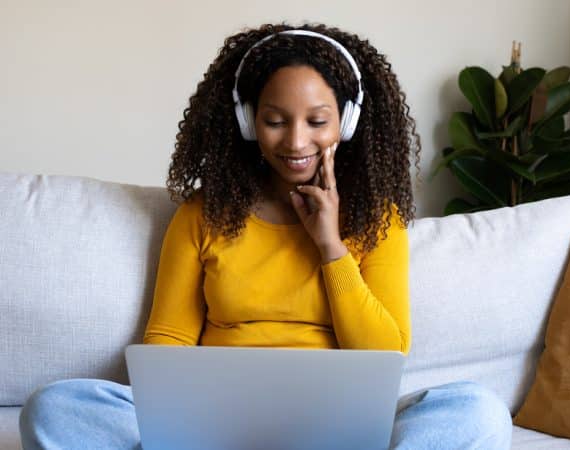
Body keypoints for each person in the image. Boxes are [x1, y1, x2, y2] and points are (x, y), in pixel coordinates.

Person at [19, 22, 512, 449]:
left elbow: (385, 357)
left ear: (348, 121)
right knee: (57, 407)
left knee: (477, 411)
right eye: (275, 121)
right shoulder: (203, 215)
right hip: (214, 429)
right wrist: (179, 418)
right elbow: (168, 340)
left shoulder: (376, 221)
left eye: (317, 121)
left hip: (336, 427)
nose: (296, 142)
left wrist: (329, 246)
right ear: (248, 121)